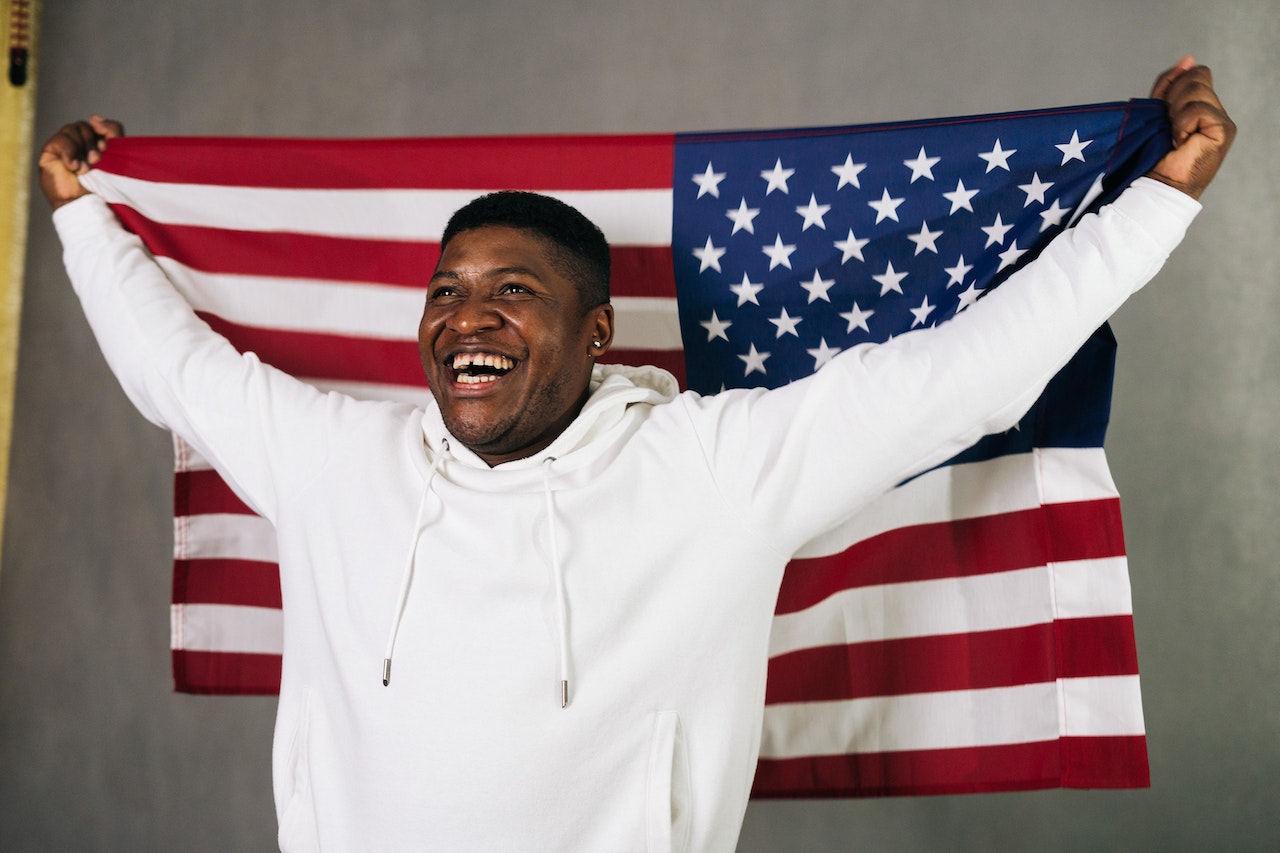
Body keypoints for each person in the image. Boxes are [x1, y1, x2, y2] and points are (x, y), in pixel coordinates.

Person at [39, 57, 1233, 852]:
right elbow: (174, 372)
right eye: (447, 292)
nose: (468, 319)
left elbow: (964, 378)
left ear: (596, 332)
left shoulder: (712, 469)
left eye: (514, 293)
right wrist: (82, 214)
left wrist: (1161, 198)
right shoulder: (334, 460)